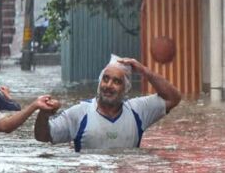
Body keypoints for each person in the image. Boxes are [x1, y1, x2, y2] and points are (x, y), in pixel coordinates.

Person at [34, 57, 181, 151]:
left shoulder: (138, 111)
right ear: (99, 82)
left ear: (126, 89)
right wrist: (43, 114)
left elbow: (173, 98)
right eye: (105, 79)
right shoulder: (80, 113)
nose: (109, 85)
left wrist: (145, 71)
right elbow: (43, 136)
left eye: (117, 82)